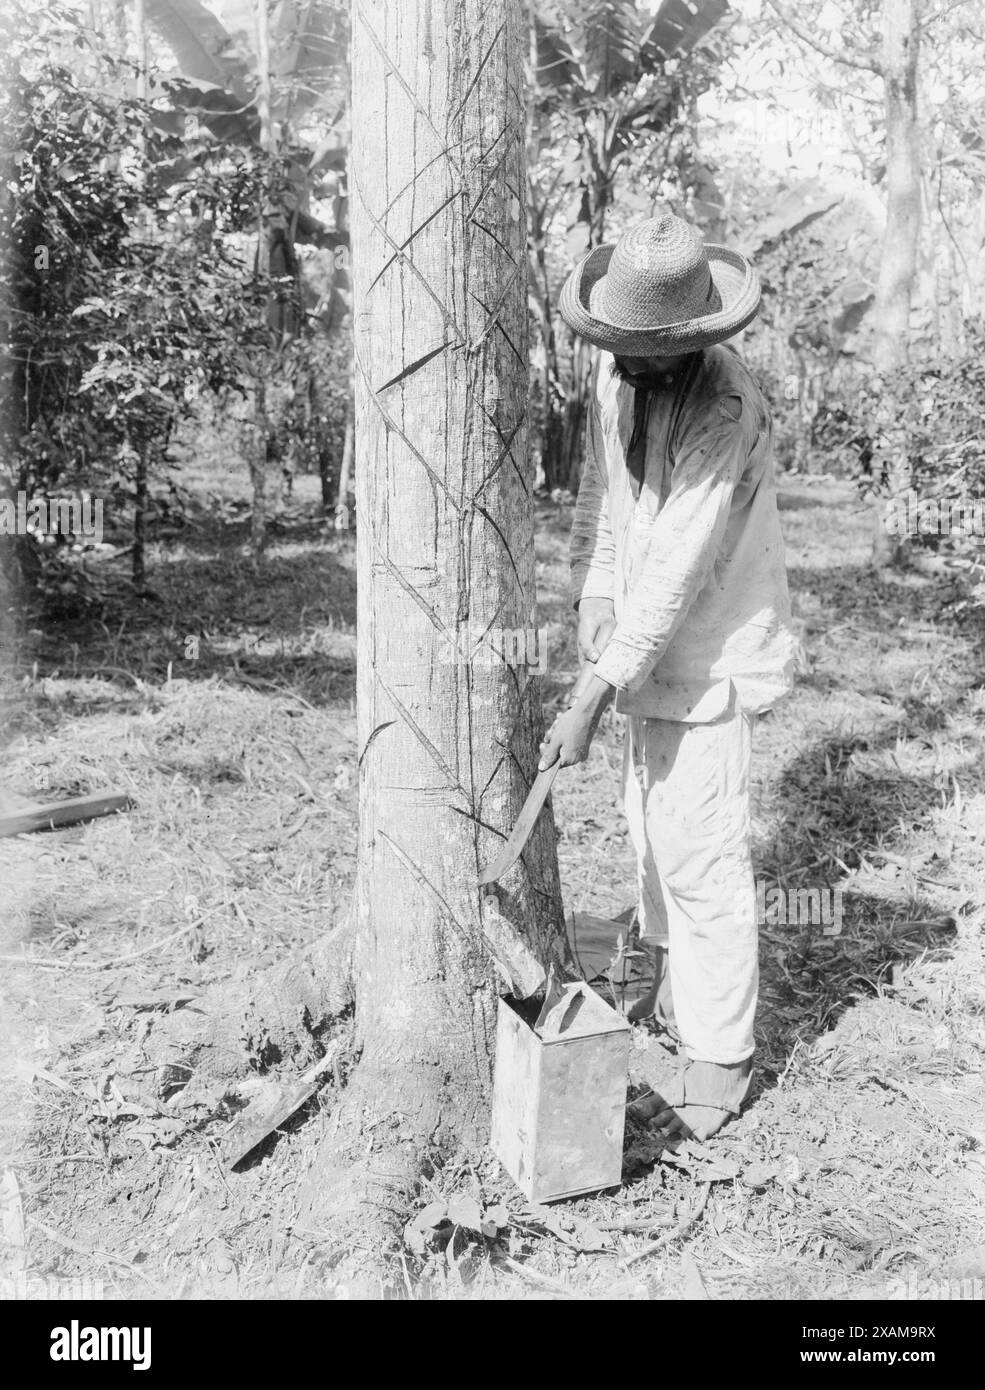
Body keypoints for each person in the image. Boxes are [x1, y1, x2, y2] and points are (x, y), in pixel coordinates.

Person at [537, 213, 796, 1140]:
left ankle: (720, 1058)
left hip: (710, 643)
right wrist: (595, 593)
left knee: (701, 856)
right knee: (649, 833)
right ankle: (665, 996)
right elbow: (611, 500)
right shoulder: (616, 370)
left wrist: (586, 697)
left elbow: (680, 567)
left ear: (693, 341)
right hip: (642, 647)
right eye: (620, 348)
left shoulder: (723, 406)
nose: (629, 364)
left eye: (650, 354)